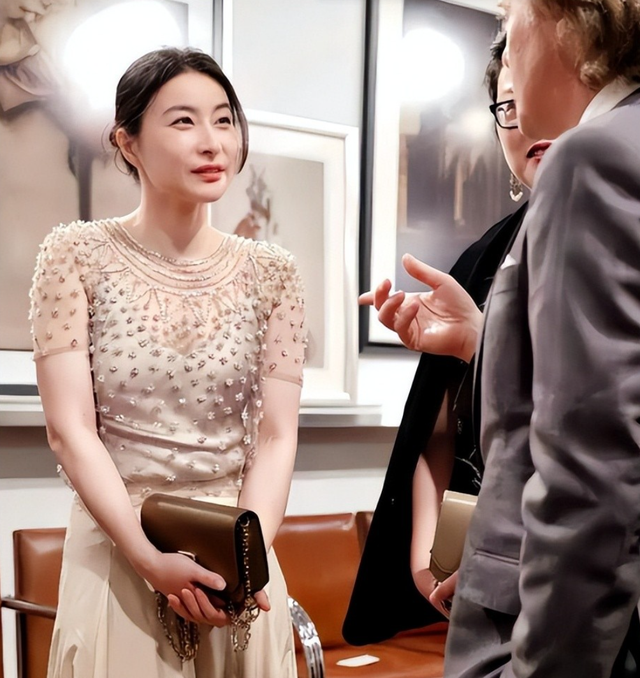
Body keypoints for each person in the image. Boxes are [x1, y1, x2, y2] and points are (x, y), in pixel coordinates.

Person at [362, 1, 640, 676]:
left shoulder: (597, 161)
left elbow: (593, 467)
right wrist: (479, 342)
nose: (508, 45)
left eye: (510, 18)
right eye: (501, 108)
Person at [29, 47, 306, 678]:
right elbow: (70, 431)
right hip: (120, 553)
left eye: (224, 119)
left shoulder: (273, 273)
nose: (212, 141)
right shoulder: (75, 255)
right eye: (183, 121)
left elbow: (277, 435)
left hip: (236, 559)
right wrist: (147, 559)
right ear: (127, 142)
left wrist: (245, 560)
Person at [343, 34, 550, 644]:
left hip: (575, 555)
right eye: (508, 106)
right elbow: (436, 431)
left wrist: (478, 343)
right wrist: (425, 558)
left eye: (541, 94)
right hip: (479, 563)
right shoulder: (481, 258)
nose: (526, 120)